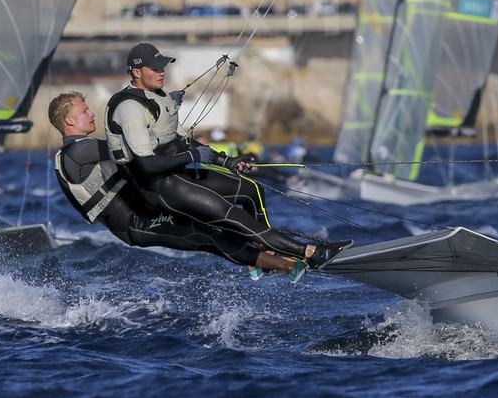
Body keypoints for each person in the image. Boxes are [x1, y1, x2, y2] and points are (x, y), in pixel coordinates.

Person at [105, 43, 349, 272]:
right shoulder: (130, 109)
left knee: (250, 189)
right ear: (136, 72)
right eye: (155, 68)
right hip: (159, 186)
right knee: (234, 217)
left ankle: (261, 255)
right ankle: (311, 253)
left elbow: (181, 140)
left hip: (178, 174)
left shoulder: (157, 96)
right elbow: (147, 164)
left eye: (163, 67)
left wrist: (226, 162)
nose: (162, 72)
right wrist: (192, 155)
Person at [48, 91, 302, 277]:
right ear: (69, 121)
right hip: (136, 225)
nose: (92, 113)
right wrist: (165, 111)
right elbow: (139, 148)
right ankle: (285, 264)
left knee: (216, 221)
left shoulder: (82, 150)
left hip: (148, 211)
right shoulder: (79, 151)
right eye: (84, 112)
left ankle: (263, 256)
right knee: (209, 235)